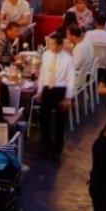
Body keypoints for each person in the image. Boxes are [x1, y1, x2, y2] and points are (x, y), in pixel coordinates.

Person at [36, 32, 75, 160]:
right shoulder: (46, 55)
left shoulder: (68, 59)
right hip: (48, 89)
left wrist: (68, 97)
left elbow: (71, 79)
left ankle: (57, 150)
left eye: (52, 44)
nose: (49, 46)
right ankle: (44, 146)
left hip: (60, 90)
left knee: (59, 122)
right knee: (44, 119)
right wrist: (40, 90)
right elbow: (43, 73)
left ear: (59, 45)